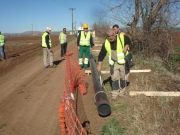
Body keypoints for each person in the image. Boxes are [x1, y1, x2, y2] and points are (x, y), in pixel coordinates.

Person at [97, 29, 131, 100]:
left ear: (115, 34)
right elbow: (101, 54)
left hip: (123, 62)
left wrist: (126, 46)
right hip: (114, 63)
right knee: (114, 78)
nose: (111, 37)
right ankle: (115, 93)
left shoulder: (122, 37)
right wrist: (99, 65)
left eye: (112, 35)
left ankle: (122, 92)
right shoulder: (106, 43)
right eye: (109, 36)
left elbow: (129, 41)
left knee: (123, 78)